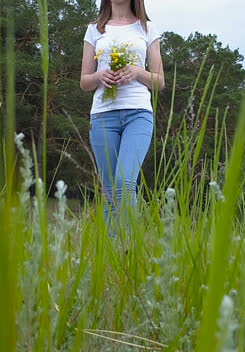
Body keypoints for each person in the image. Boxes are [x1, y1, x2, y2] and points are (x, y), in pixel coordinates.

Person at [80, 0, 164, 238]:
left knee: (124, 183)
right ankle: (113, 250)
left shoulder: (147, 28)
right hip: (102, 115)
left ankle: (129, 246)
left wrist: (137, 71)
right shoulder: (94, 29)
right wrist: (99, 76)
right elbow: (84, 82)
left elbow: (159, 81)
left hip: (138, 113)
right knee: (109, 190)